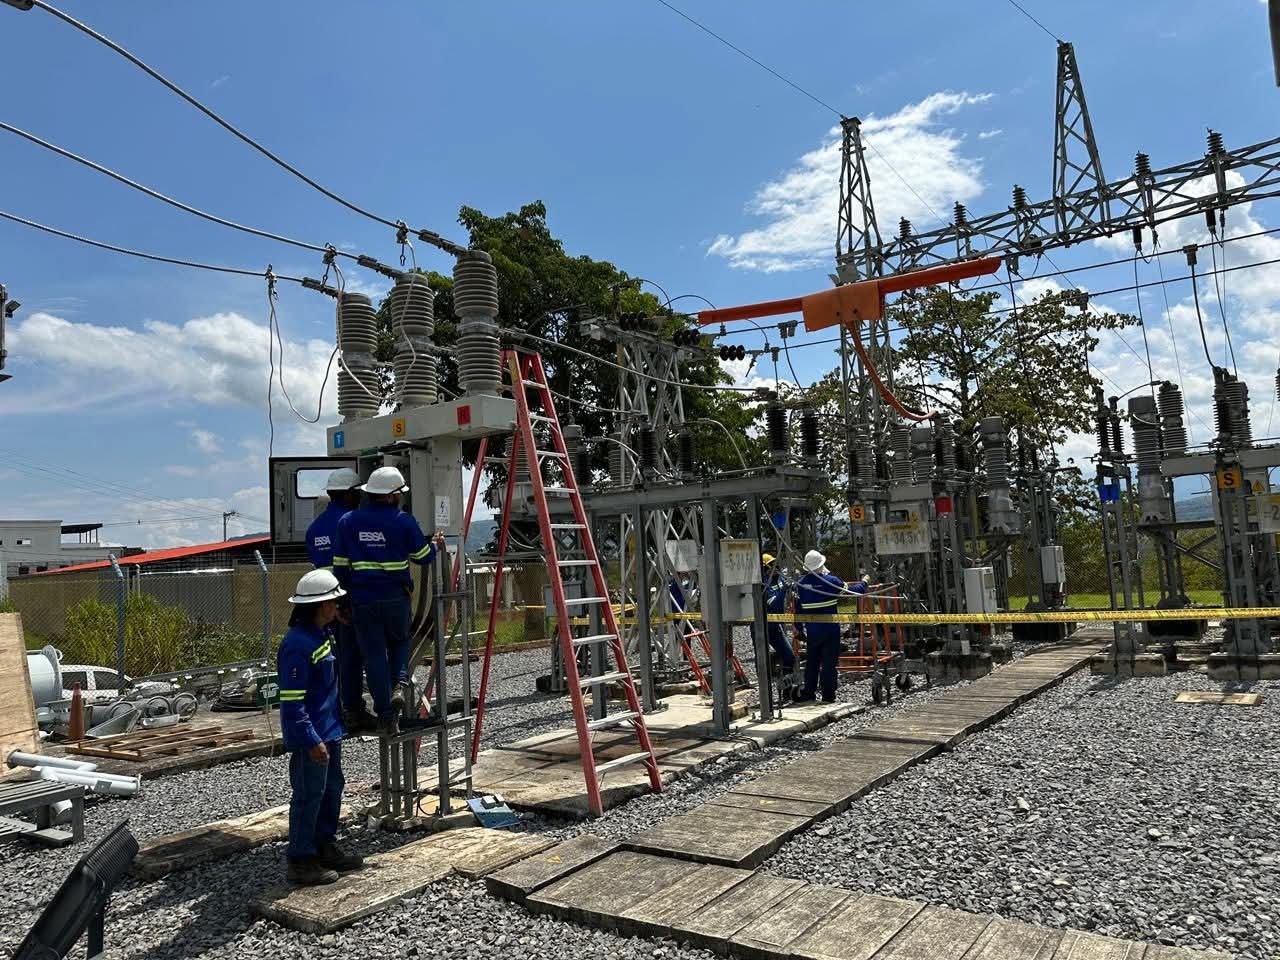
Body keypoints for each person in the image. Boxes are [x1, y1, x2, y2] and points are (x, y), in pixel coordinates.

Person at [332, 466, 444, 735]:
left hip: (362, 601)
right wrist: (437, 544)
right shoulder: (403, 520)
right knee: (399, 644)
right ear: (393, 495)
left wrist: (343, 602)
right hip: (396, 598)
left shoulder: (347, 521)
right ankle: (400, 684)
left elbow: (340, 566)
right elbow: (423, 557)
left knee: (372, 656)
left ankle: (385, 714)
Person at [277, 569, 364, 886]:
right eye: (333, 602)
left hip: (330, 730)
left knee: (330, 790)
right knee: (308, 795)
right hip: (311, 736)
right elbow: (292, 703)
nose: (337, 606)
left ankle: (323, 845)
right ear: (319, 606)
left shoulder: (320, 635)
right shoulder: (297, 645)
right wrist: (311, 739)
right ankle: (301, 860)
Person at [305, 468, 375, 733]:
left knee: (336, 657)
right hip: (351, 601)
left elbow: (318, 568)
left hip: (324, 604)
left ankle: (340, 709)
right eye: (357, 493)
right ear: (348, 494)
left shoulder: (313, 529)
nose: (360, 498)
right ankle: (356, 710)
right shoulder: (351, 521)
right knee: (360, 655)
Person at [794, 549, 849, 704]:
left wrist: (798, 628)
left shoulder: (801, 584)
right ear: (821, 565)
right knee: (829, 663)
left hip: (812, 631)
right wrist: (865, 581)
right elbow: (855, 591)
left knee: (812, 662)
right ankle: (828, 694)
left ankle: (808, 693)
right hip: (830, 630)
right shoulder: (831, 581)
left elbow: (798, 609)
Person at [762, 554, 795, 675]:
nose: (775, 568)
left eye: (775, 564)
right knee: (762, 661)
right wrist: (784, 590)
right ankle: (764, 686)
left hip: (776, 626)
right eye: (771, 565)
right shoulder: (764, 584)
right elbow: (773, 604)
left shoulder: (779, 579)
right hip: (764, 627)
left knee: (789, 656)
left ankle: (787, 684)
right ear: (764, 568)